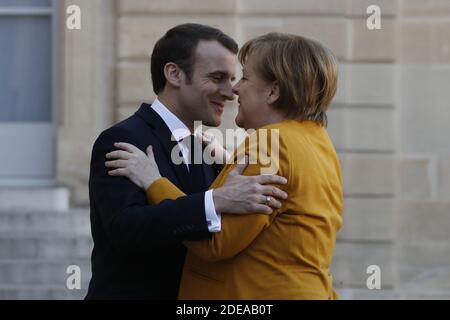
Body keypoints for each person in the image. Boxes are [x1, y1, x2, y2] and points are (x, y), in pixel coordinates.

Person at [107, 32, 343, 299]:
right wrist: (231, 162)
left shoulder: (269, 143)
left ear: (274, 91)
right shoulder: (318, 141)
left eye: (244, 77)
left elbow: (215, 243)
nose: (235, 90)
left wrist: (154, 182)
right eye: (221, 78)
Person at [86, 24, 289, 300]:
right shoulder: (123, 139)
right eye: (218, 78)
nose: (231, 93)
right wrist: (215, 201)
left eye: (233, 79)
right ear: (174, 74)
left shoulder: (206, 149)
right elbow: (126, 229)